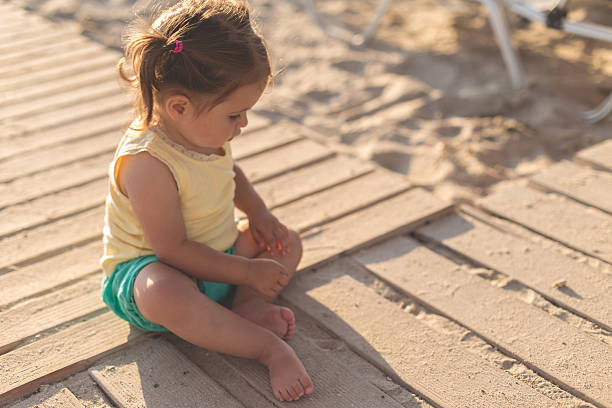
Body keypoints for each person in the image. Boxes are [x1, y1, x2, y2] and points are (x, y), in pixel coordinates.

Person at [99, 0, 314, 402]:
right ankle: (266, 348)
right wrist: (246, 271)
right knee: (159, 289)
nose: (243, 124)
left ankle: (247, 307)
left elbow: (229, 173)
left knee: (287, 240)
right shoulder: (147, 163)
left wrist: (259, 213)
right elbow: (172, 249)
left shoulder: (203, 133)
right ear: (179, 107)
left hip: (217, 256)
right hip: (162, 273)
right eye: (235, 115)